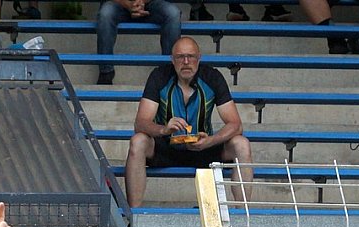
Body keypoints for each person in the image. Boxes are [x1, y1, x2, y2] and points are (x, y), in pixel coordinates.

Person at [124, 38, 253, 208]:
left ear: (199, 58)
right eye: (180, 57)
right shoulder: (159, 76)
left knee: (241, 144)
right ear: (172, 59)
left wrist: (211, 141)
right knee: (138, 141)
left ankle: (242, 216)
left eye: (191, 57)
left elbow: (235, 124)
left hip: (204, 148)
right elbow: (140, 123)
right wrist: (164, 129)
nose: (186, 62)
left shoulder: (212, 77)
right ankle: (134, 216)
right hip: (166, 147)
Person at [95, 0, 182, 85]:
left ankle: (168, 72)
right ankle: (106, 72)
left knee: (173, 13)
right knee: (105, 13)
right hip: (119, 4)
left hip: (151, 5)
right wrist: (128, 4)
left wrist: (141, 1)